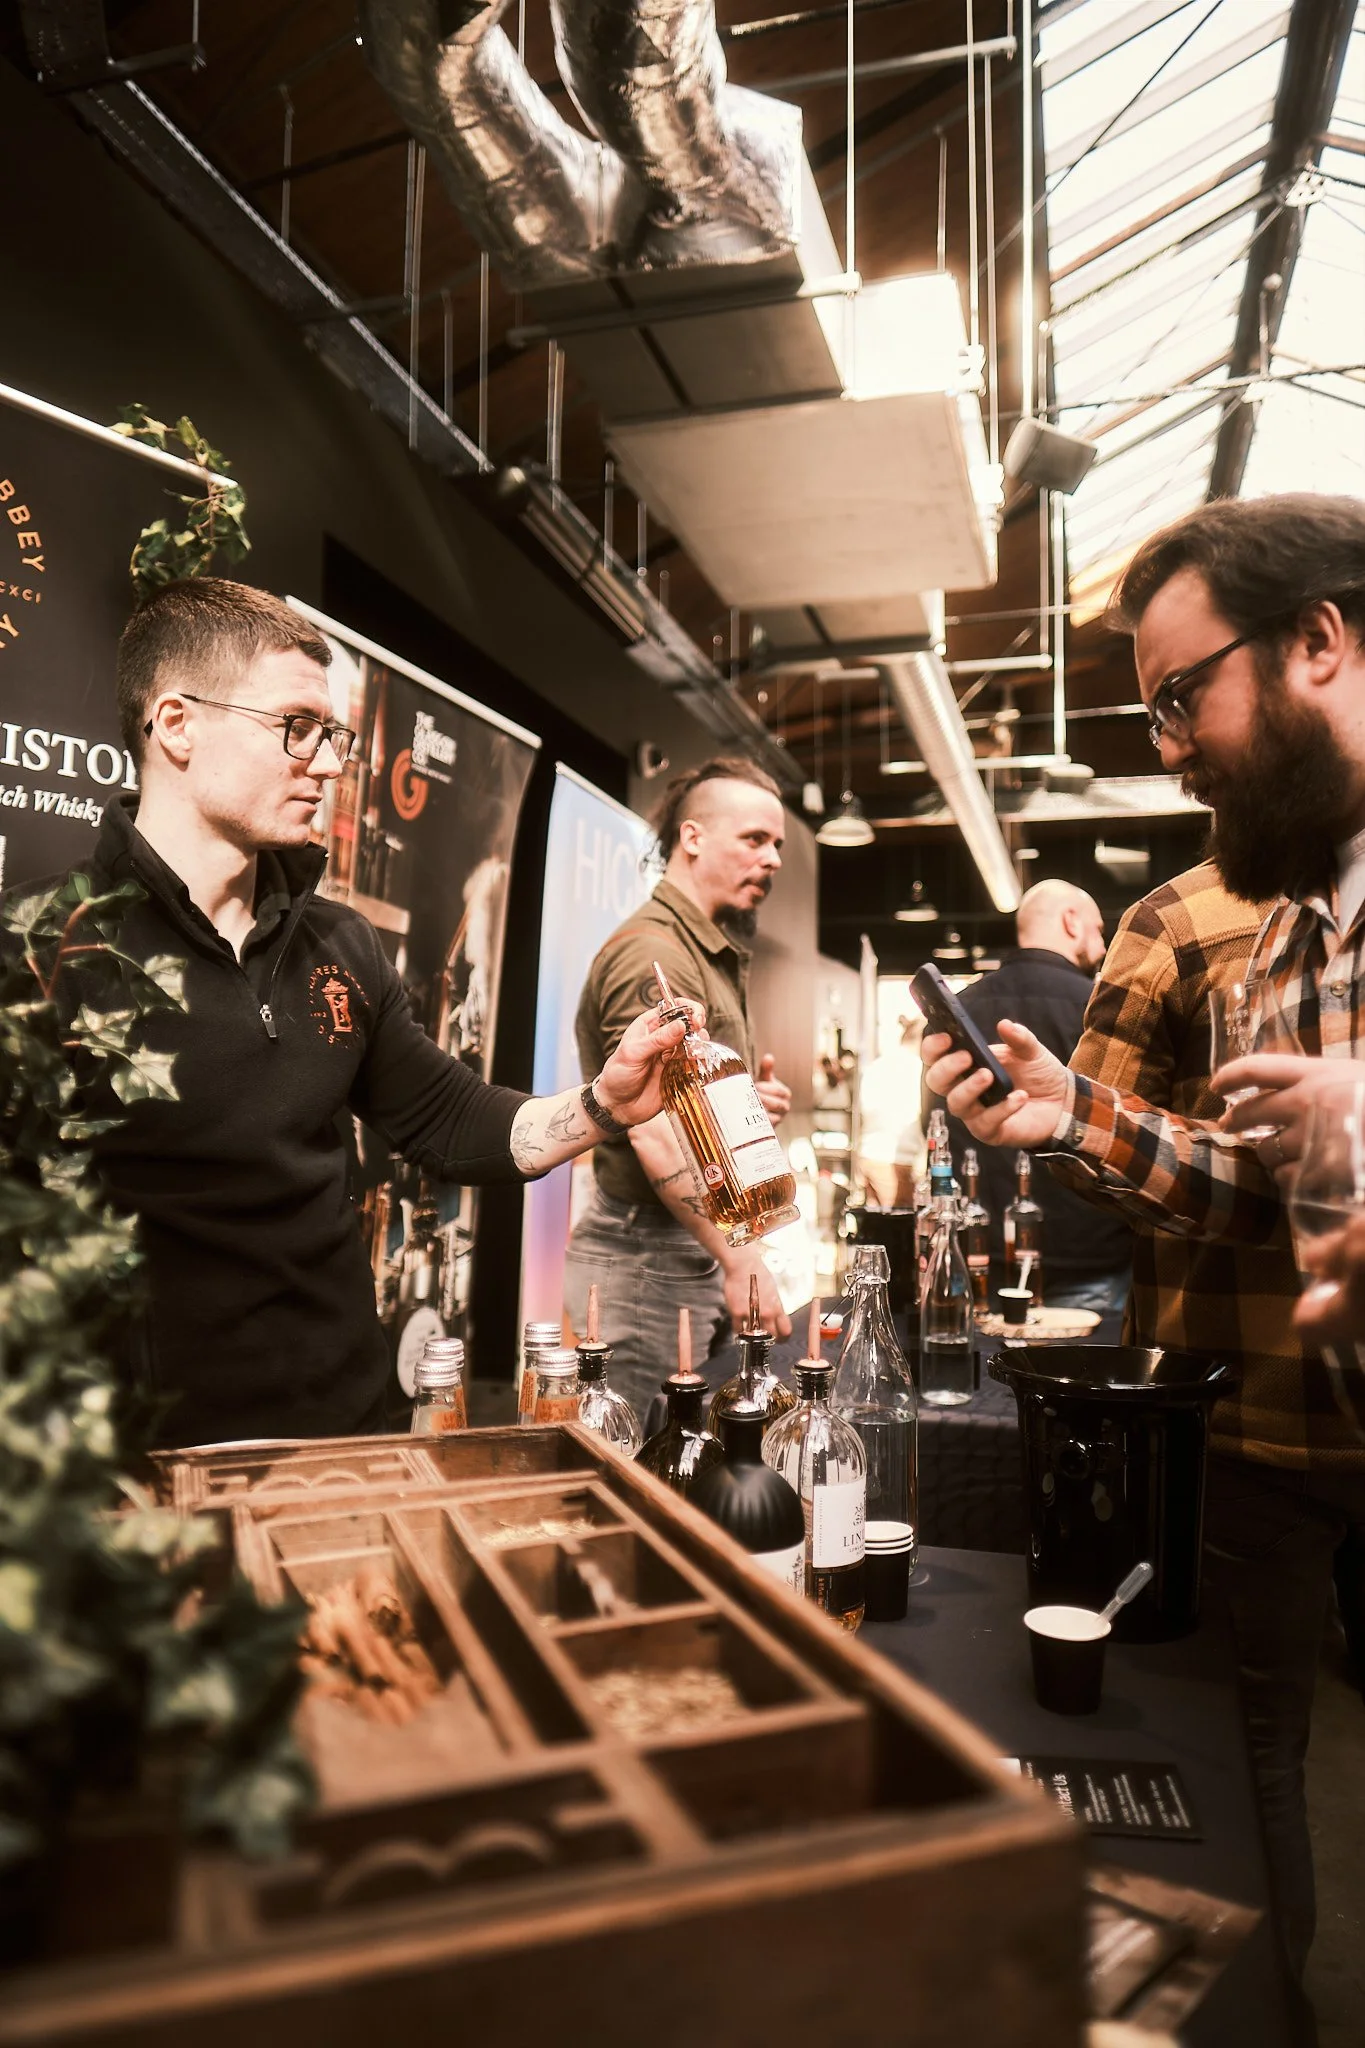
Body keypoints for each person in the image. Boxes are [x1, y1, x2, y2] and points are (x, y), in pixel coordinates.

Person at [923, 493, 1365, 2035]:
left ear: (1321, 639)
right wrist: (1073, 1117)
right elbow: (1261, 1185)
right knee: (1255, 1777)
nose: (1168, 744)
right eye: (1149, 709)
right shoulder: (1298, 925)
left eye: (1185, 694)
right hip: (1285, 1428)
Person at [44, 578, 690, 1449]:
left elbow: (447, 1118)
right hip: (147, 1475)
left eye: (332, 734)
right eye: (294, 727)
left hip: (346, 1437)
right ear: (176, 724)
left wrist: (604, 1105)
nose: (325, 761)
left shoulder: (339, 943)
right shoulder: (44, 956)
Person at [564, 758, 794, 1420]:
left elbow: (683, 1103)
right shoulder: (651, 956)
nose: (772, 857)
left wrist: (742, 1110)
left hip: (682, 1248)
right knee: (630, 1471)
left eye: (776, 843)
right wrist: (742, 1257)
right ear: (692, 838)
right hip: (646, 1259)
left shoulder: (701, 952)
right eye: (754, 839)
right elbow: (651, 1126)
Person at [925, 877, 1132, 1313]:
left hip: (984, 1255)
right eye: (1098, 930)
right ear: (1071, 922)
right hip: (1090, 1256)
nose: (1101, 944)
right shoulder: (1105, 1007)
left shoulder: (962, 1008)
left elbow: (936, 1130)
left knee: (991, 1380)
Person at [857, 1011, 927, 1207]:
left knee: (875, 1228)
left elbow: (865, 1111)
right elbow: (920, 1117)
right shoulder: (916, 1068)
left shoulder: (876, 1066)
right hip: (897, 1161)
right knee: (898, 1230)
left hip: (869, 1154)